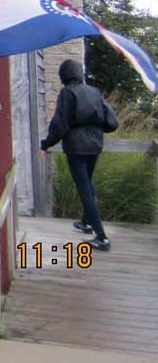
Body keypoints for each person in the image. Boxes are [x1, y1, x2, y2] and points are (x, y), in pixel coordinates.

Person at [39, 59, 111, 251]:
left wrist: (45, 145)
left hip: (76, 147)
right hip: (95, 144)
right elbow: (110, 121)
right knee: (87, 182)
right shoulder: (94, 92)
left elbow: (59, 125)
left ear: (63, 76)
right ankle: (86, 223)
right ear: (80, 73)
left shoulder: (67, 93)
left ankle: (101, 238)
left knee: (84, 189)